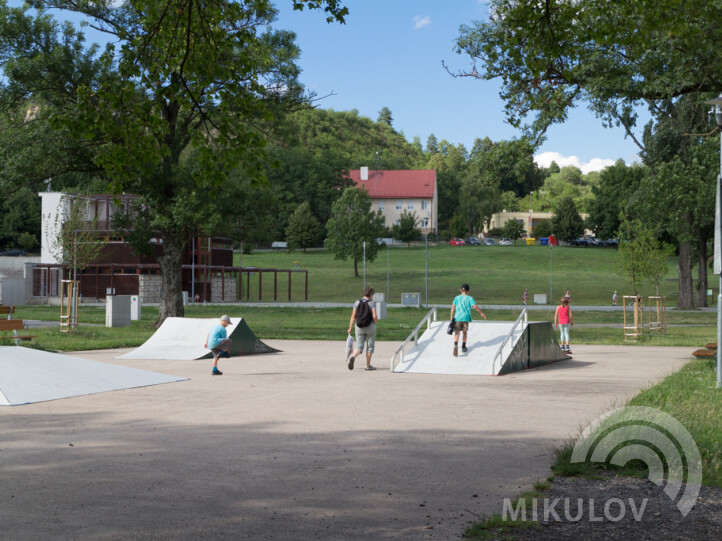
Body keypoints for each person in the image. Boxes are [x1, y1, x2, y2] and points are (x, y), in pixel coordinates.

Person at [347, 287, 378, 371]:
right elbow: (374, 316)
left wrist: (350, 328)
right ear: (370, 294)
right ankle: (367, 365)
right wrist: (375, 323)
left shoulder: (357, 302)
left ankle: (353, 357)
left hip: (359, 326)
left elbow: (353, 316)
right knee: (370, 346)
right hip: (370, 326)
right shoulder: (372, 303)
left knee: (359, 346)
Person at [450, 283, 486, 357]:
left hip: (457, 317)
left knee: (457, 333)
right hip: (465, 318)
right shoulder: (470, 298)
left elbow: (453, 307)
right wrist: (481, 313)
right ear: (468, 291)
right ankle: (463, 347)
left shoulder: (456, 298)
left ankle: (456, 346)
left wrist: (451, 316)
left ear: (460, 290)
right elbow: (475, 306)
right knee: (464, 333)